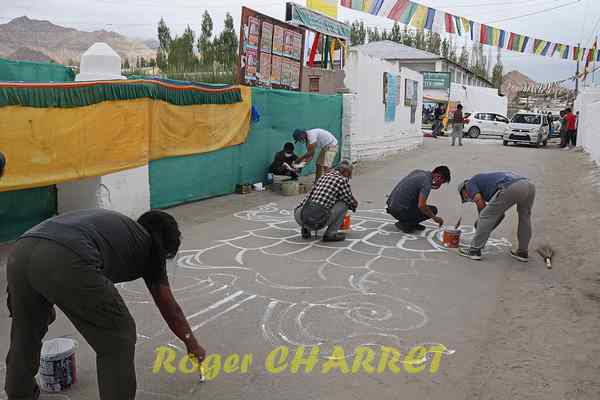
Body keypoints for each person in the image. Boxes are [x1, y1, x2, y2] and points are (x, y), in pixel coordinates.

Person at [5, 209, 206, 400]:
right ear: (165, 245)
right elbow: (169, 307)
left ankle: (19, 394)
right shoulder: (151, 245)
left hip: (21, 252)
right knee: (118, 335)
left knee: (26, 330)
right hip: (66, 255)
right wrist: (192, 344)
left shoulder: (120, 228)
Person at [457, 171, 535, 261]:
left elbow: (480, 203)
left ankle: (474, 251)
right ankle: (522, 252)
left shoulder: (469, 184)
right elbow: (499, 215)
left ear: (464, 190)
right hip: (529, 185)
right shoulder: (487, 186)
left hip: (511, 186)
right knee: (525, 218)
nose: (468, 199)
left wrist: (480, 223)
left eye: (464, 197)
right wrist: (485, 228)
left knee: (485, 216)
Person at [295, 160, 358, 242]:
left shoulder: (324, 176)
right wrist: (354, 204)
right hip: (317, 221)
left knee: (316, 202)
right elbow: (349, 200)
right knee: (344, 204)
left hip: (300, 216)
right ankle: (330, 234)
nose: (349, 176)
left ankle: (306, 228)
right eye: (349, 173)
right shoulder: (341, 180)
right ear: (345, 171)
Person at [386, 166, 452, 233]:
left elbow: (415, 185)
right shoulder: (426, 183)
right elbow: (421, 206)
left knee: (416, 198)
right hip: (399, 211)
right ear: (438, 177)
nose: (440, 184)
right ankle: (405, 223)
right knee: (433, 210)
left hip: (391, 206)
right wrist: (435, 218)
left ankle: (412, 223)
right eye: (442, 182)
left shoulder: (418, 172)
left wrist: (431, 185)